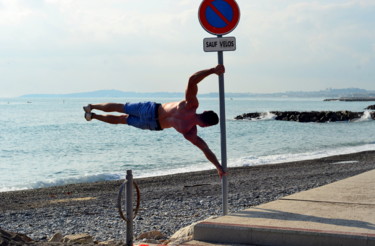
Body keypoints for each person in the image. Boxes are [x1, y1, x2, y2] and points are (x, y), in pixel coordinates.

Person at [83, 65, 226, 178]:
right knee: (122, 113)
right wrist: (212, 70)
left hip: (152, 122)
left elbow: (205, 149)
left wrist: (218, 167)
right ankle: (92, 110)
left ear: (205, 119)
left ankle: (93, 112)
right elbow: (192, 80)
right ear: (205, 124)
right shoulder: (191, 111)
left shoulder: (190, 129)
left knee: (122, 116)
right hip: (151, 112)